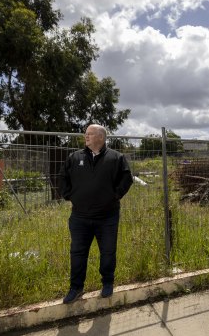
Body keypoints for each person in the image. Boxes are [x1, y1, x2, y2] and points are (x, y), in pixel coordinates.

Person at [60, 124, 133, 304]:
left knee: (108, 252)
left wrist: (114, 196)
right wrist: (69, 195)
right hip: (79, 217)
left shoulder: (116, 158)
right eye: (86, 134)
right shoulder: (75, 157)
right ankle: (76, 288)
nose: (86, 136)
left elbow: (127, 178)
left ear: (101, 137)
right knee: (77, 253)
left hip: (107, 217)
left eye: (90, 134)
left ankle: (107, 283)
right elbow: (62, 176)